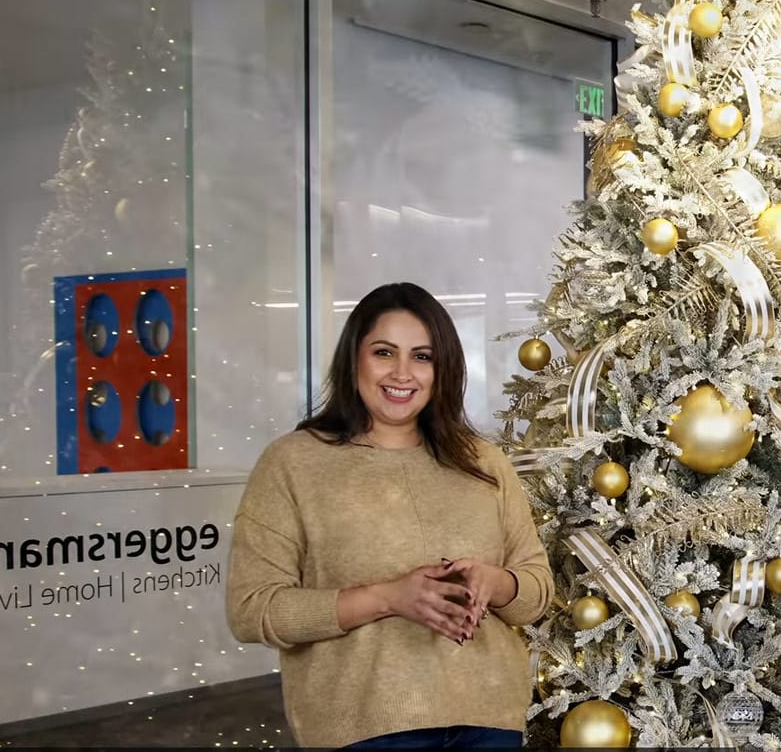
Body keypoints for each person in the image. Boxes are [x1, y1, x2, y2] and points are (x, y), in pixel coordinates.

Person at [226, 282, 552, 749]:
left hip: (490, 720)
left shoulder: (482, 461)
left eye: (422, 357)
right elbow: (252, 610)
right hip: (363, 728)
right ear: (354, 359)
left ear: (443, 370)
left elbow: (536, 590)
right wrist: (388, 598)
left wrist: (494, 582)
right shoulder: (293, 463)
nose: (403, 373)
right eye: (384, 352)